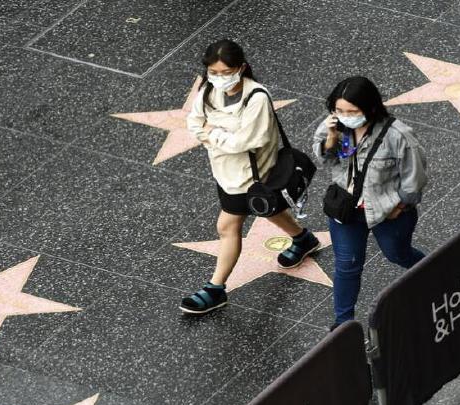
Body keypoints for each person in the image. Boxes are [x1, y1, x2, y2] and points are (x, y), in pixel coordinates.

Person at [180, 39, 320, 314]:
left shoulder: (256, 98)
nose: (219, 78)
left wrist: (211, 133)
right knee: (266, 209)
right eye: (214, 72)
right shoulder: (208, 90)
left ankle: (216, 288)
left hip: (248, 177)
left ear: (241, 68)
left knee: (227, 227)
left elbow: (242, 142)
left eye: (225, 72)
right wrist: (217, 134)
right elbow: (194, 122)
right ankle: (303, 239)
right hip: (224, 172)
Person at [313, 76, 428, 330]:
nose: (345, 116)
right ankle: (343, 324)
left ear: (371, 107)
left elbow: (415, 176)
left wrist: (401, 206)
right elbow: (326, 162)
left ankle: (431, 271)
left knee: (397, 254)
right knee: (346, 266)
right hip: (346, 210)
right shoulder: (333, 126)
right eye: (339, 110)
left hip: (387, 213)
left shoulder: (398, 135)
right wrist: (331, 138)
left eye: (352, 111)